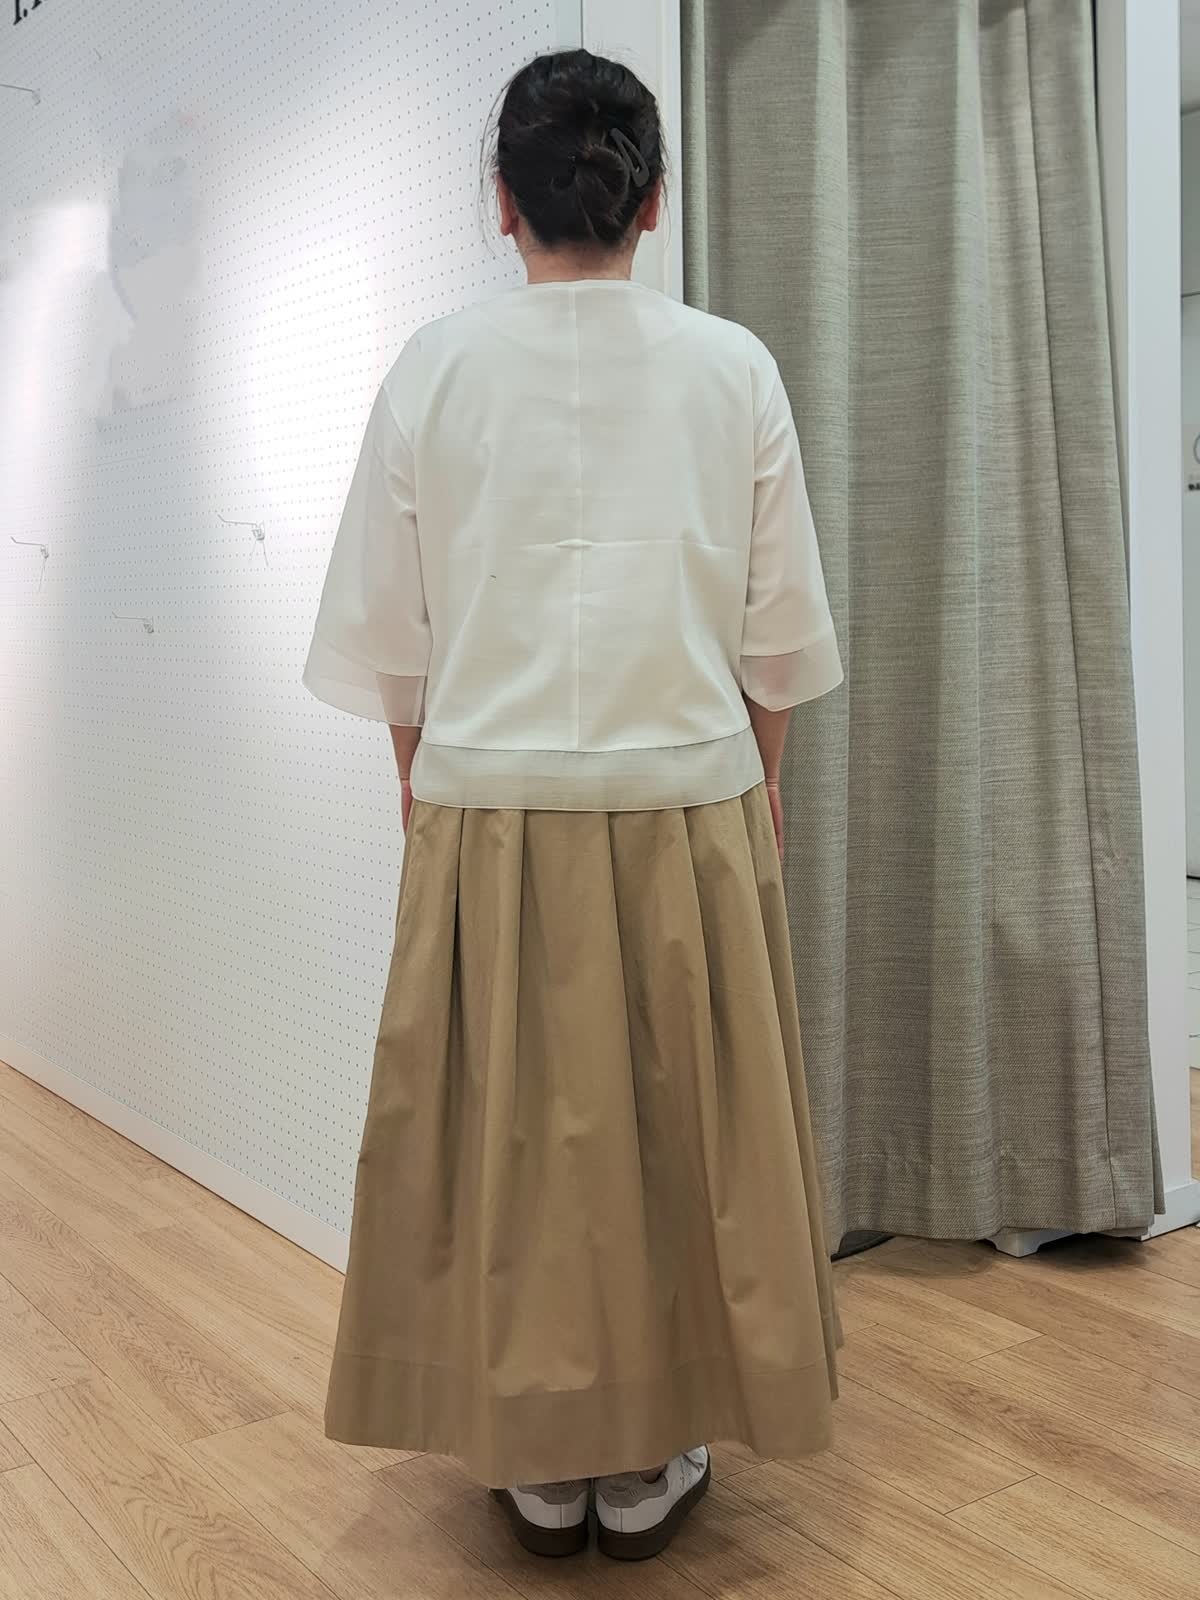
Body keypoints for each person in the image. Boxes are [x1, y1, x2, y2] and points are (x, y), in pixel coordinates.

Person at [302, 47, 842, 1564]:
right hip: (691, 794)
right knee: (684, 1140)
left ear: (503, 203)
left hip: (489, 802)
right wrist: (759, 790)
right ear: (653, 202)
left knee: (516, 1140)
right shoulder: (733, 368)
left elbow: (393, 643)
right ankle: (653, 1448)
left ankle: (541, 1464)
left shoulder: (434, 370)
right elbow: (779, 640)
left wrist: (423, 794)